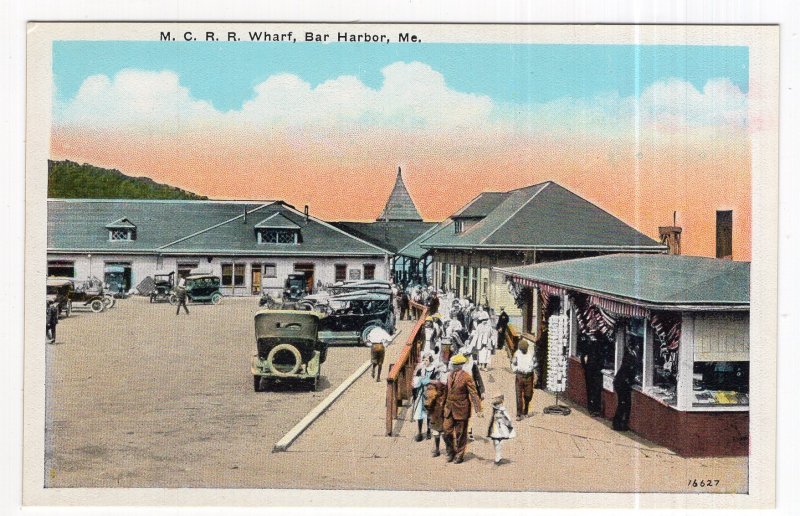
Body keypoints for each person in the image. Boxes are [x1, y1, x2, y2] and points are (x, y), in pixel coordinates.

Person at [442, 354, 482, 464]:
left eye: (454, 365)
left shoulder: (466, 377)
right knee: (446, 431)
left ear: (459, 366)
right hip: (449, 408)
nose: (452, 366)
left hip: (461, 409)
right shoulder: (449, 375)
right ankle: (451, 452)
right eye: (452, 365)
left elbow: (473, 393)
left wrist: (478, 409)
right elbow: (446, 391)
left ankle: (459, 454)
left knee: (461, 434)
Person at [412, 353, 438, 441]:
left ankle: (428, 431)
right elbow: (415, 382)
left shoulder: (435, 369)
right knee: (419, 414)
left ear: (430, 360)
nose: (424, 362)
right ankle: (419, 432)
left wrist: (427, 381)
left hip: (430, 393)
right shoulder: (421, 370)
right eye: (423, 360)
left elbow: (437, 381)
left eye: (426, 360)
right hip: (421, 393)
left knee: (429, 414)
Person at [613, 344, 639, 431]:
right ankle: (617, 424)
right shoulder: (629, 356)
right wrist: (629, 381)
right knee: (623, 404)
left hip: (623, 383)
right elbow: (626, 370)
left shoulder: (632, 355)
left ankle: (622, 424)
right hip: (622, 384)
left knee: (625, 405)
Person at [511, 338, 537, 420]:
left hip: (529, 376)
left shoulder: (531, 353)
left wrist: (534, 373)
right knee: (518, 395)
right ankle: (519, 414)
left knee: (528, 395)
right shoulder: (517, 353)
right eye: (522, 350)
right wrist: (515, 369)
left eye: (524, 349)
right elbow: (513, 363)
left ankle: (526, 409)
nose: (523, 351)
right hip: (520, 376)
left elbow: (535, 364)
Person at [578, 335, 604, 417]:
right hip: (593, 371)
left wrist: (585, 367)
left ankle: (592, 408)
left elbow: (583, 358)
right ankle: (594, 408)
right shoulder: (595, 348)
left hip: (590, 371)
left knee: (591, 390)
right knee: (594, 390)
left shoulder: (589, 348)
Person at [487, 394, 516, 464]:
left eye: (498, 404)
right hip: (495, 428)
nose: (496, 406)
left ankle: (498, 456)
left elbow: (508, 419)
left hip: (501, 428)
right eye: (496, 404)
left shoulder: (503, 410)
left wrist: (505, 421)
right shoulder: (494, 410)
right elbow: (492, 419)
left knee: (498, 442)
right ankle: (498, 455)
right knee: (496, 442)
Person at [424, 379, 448, 457]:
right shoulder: (433, 394)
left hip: (440, 415)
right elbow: (428, 405)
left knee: (442, 433)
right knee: (438, 433)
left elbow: (428, 406)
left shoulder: (440, 395)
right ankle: (438, 450)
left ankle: (446, 449)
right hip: (436, 416)